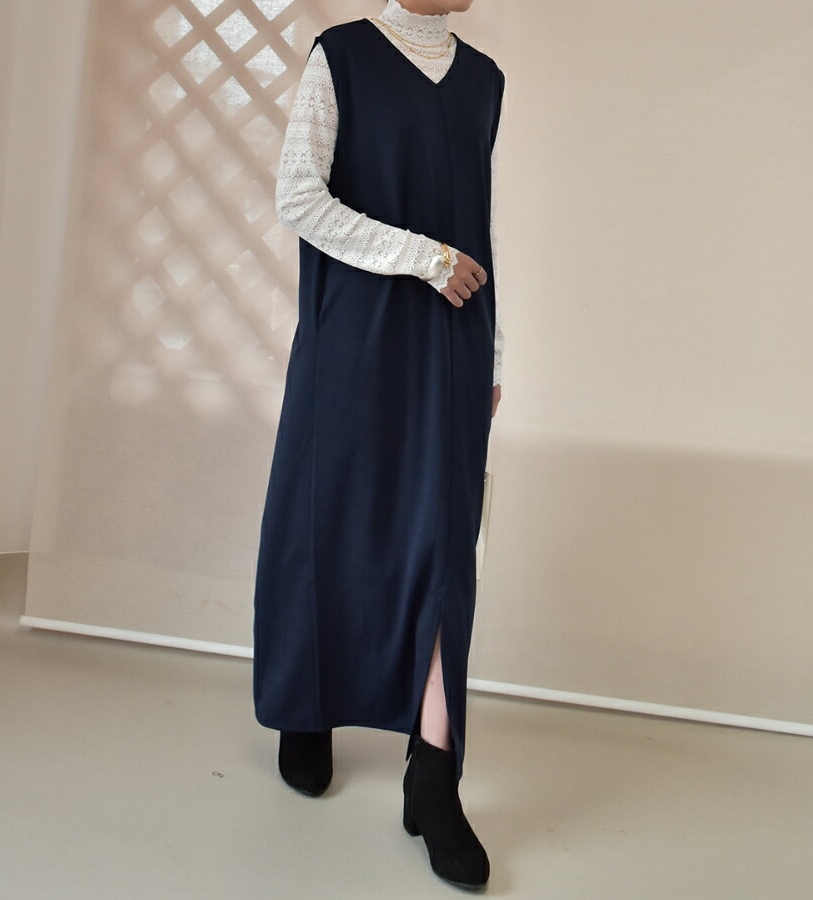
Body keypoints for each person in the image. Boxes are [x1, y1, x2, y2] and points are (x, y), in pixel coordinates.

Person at [253, 0, 504, 889]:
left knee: (445, 552)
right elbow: (298, 196)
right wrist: (424, 258)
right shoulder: (343, 57)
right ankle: (306, 703)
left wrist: (496, 352)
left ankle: (433, 776)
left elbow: (481, 224)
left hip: (455, 339)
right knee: (324, 521)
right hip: (353, 333)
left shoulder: (485, 81)